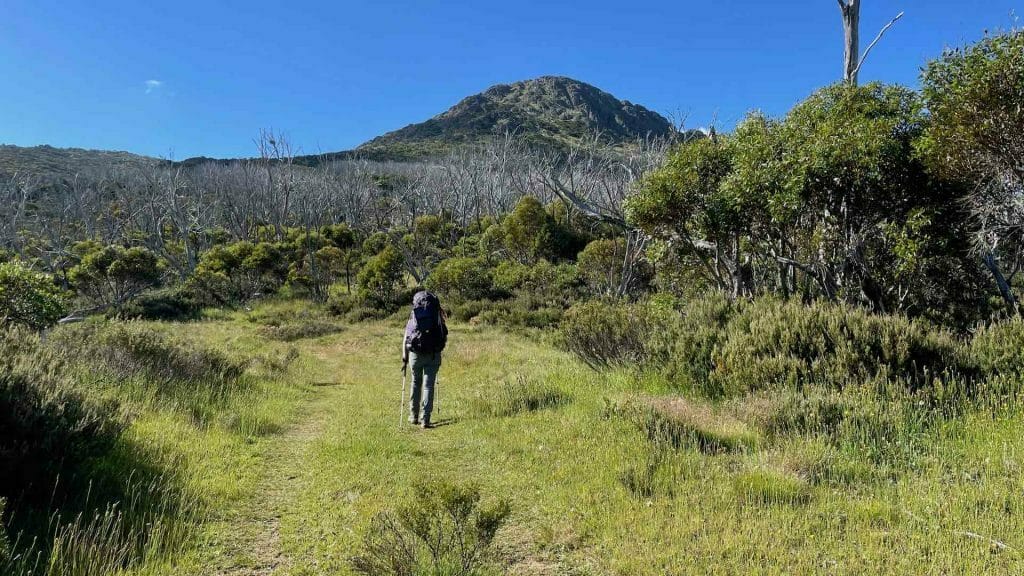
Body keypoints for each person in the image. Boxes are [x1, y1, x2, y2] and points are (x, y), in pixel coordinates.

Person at [402, 290, 448, 428]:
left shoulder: (414, 314)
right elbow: (443, 334)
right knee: (428, 386)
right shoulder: (437, 314)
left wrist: (404, 357)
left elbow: (406, 337)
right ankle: (425, 420)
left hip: (415, 354)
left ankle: (413, 416)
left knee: (416, 383)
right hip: (433, 354)